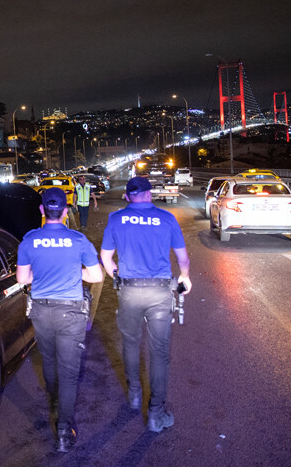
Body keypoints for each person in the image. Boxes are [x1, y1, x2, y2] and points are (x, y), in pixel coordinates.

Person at [99, 176, 191, 433]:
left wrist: (116, 275)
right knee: (159, 353)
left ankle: (135, 395)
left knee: (130, 343)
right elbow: (182, 258)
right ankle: (155, 414)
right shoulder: (166, 218)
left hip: (129, 291)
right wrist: (185, 277)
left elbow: (106, 257)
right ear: (150, 195)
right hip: (160, 292)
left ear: (127, 197)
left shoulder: (116, 219)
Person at [16, 187, 104, 452]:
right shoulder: (78, 240)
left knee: (49, 361)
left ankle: (53, 403)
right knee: (69, 372)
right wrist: (72, 273)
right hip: (71, 314)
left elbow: (22, 280)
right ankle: (64, 430)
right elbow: (96, 276)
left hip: (42, 312)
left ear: (42, 211)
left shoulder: (29, 240)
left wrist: (42, 275)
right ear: (66, 211)